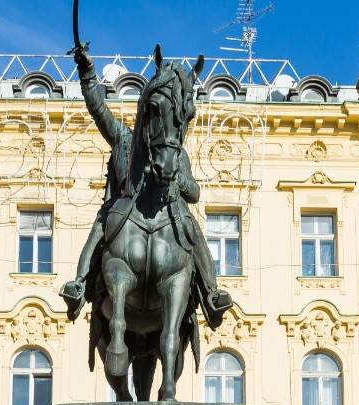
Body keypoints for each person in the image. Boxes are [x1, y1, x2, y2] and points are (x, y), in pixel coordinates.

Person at [58, 42, 231, 329]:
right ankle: (78, 285)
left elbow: (195, 193)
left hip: (169, 211)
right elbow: (97, 107)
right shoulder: (125, 141)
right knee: (102, 223)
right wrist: (87, 70)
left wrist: (175, 176)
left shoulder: (177, 153)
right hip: (127, 209)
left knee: (192, 227)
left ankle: (212, 293)